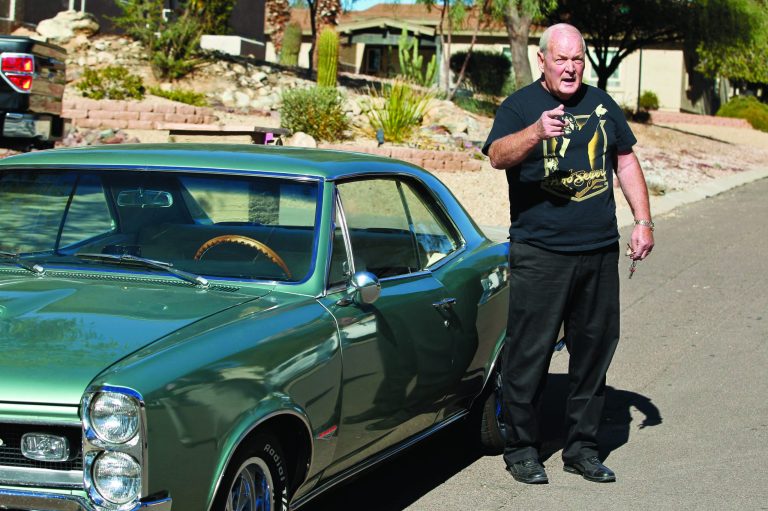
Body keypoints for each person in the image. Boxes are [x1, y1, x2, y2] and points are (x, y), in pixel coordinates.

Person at [482, 23, 654, 484]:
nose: (571, 67)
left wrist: (642, 220)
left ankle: (581, 448)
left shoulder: (601, 103)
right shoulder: (520, 106)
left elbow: (624, 159)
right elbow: (497, 155)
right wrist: (536, 133)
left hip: (598, 250)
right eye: (562, 59)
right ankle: (522, 449)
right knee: (529, 355)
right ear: (543, 61)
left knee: (594, 351)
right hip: (541, 252)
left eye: (577, 59)